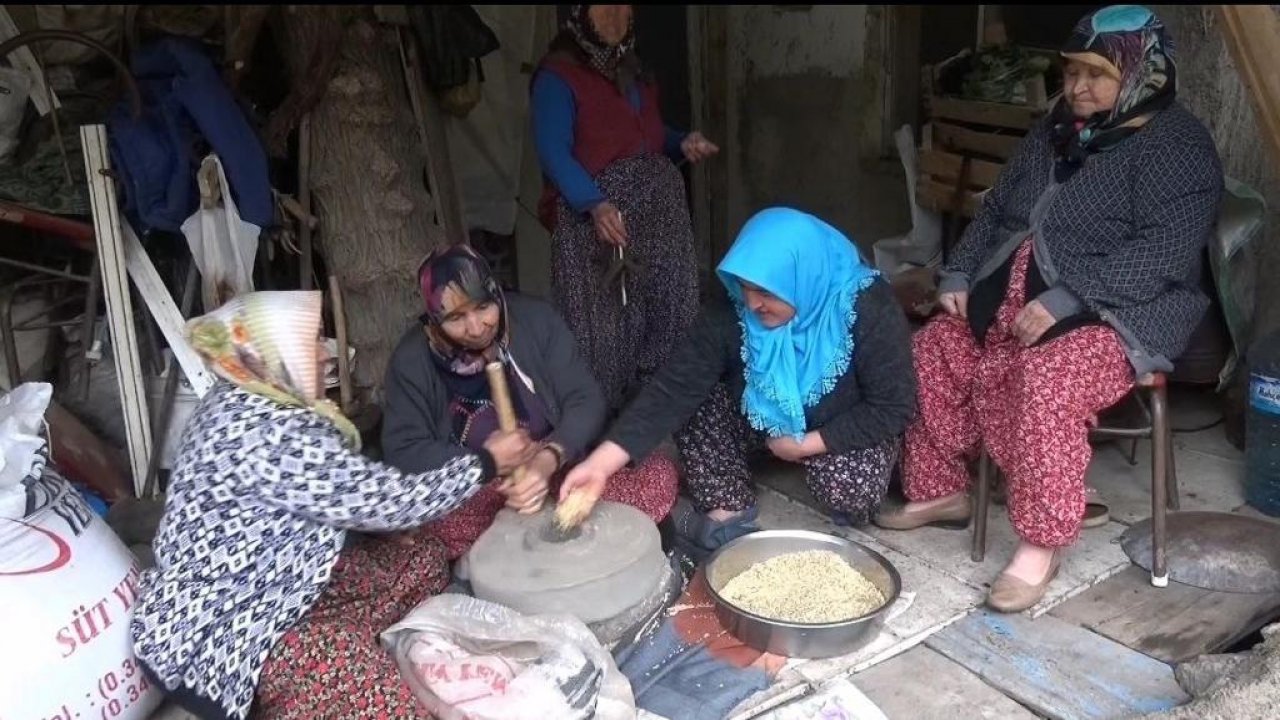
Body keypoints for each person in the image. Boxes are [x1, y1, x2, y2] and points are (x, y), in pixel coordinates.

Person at [875, 5, 1223, 612]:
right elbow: (1000, 208)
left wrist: (1069, 298)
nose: (1077, 87)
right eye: (1071, 72)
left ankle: (1041, 541)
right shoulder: (1058, 129)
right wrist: (959, 271)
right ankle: (942, 490)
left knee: (1046, 379)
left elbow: (1165, 250)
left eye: (1096, 74)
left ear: (1142, 73)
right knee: (934, 346)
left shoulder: (1177, 143)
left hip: (1120, 309)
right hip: (1014, 302)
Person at [130, 291, 536, 720]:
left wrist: (374, 521)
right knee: (351, 673)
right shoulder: (266, 430)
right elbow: (385, 500)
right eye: (312, 339)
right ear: (277, 349)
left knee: (422, 559)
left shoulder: (250, 396)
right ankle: (319, 682)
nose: (325, 354)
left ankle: (337, 670)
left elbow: (333, 496)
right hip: (224, 634)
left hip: (280, 584)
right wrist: (488, 462)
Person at [561, 208, 917, 556]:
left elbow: (893, 406)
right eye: (745, 286)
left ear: (803, 278)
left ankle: (826, 468)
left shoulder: (867, 306)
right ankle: (728, 505)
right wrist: (600, 465)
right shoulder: (734, 310)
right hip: (762, 423)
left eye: (767, 291)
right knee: (697, 400)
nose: (753, 302)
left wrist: (805, 445)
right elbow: (675, 386)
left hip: (834, 425)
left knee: (849, 493)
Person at [381, 244, 679, 560]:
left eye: (483, 307)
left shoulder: (535, 320)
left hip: (554, 471)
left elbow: (585, 399)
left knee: (655, 475)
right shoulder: (412, 360)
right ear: (434, 320)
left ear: (496, 295)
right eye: (455, 317)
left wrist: (548, 458)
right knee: (427, 529)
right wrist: (487, 463)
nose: (475, 327)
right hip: (478, 490)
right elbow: (404, 451)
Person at [531, 4, 719, 414]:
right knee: (604, 326)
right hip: (597, 218)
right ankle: (599, 424)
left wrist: (680, 141)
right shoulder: (557, 77)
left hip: (656, 214)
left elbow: (645, 135)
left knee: (668, 305)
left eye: (622, 6)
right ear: (580, 15)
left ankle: (658, 412)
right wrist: (594, 203)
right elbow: (553, 151)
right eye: (602, 8)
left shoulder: (632, 69)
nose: (614, 16)